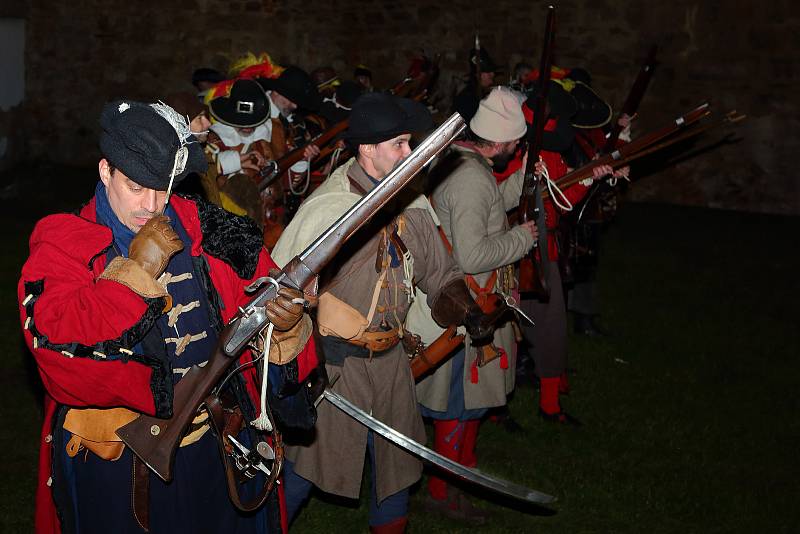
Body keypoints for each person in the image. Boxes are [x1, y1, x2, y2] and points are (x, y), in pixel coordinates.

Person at [18, 100, 317, 534]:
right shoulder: (66, 244)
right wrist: (133, 276)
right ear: (106, 171)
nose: (152, 205)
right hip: (119, 462)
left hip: (215, 444)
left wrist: (286, 327)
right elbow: (59, 356)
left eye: (164, 187)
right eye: (136, 187)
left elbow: (264, 303)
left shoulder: (212, 231)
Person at [271, 92, 493, 533]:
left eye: (410, 143)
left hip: (391, 361)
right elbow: (284, 292)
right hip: (338, 366)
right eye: (399, 144)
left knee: (397, 471)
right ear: (368, 149)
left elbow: (439, 271)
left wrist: (468, 310)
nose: (409, 154)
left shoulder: (409, 202)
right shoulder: (332, 210)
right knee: (304, 472)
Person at [414, 87, 538, 521]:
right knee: (456, 404)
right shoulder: (471, 177)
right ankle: (442, 492)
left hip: (478, 303)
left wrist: (524, 179)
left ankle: (461, 473)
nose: (519, 146)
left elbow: (490, 206)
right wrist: (522, 239)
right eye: (516, 142)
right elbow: (471, 255)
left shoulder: (468, 164)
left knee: (469, 405)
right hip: (465, 309)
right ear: (501, 141)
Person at [451, 45, 500, 121]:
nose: (492, 74)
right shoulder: (466, 99)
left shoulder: (488, 94)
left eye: (492, 71)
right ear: (477, 75)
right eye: (487, 72)